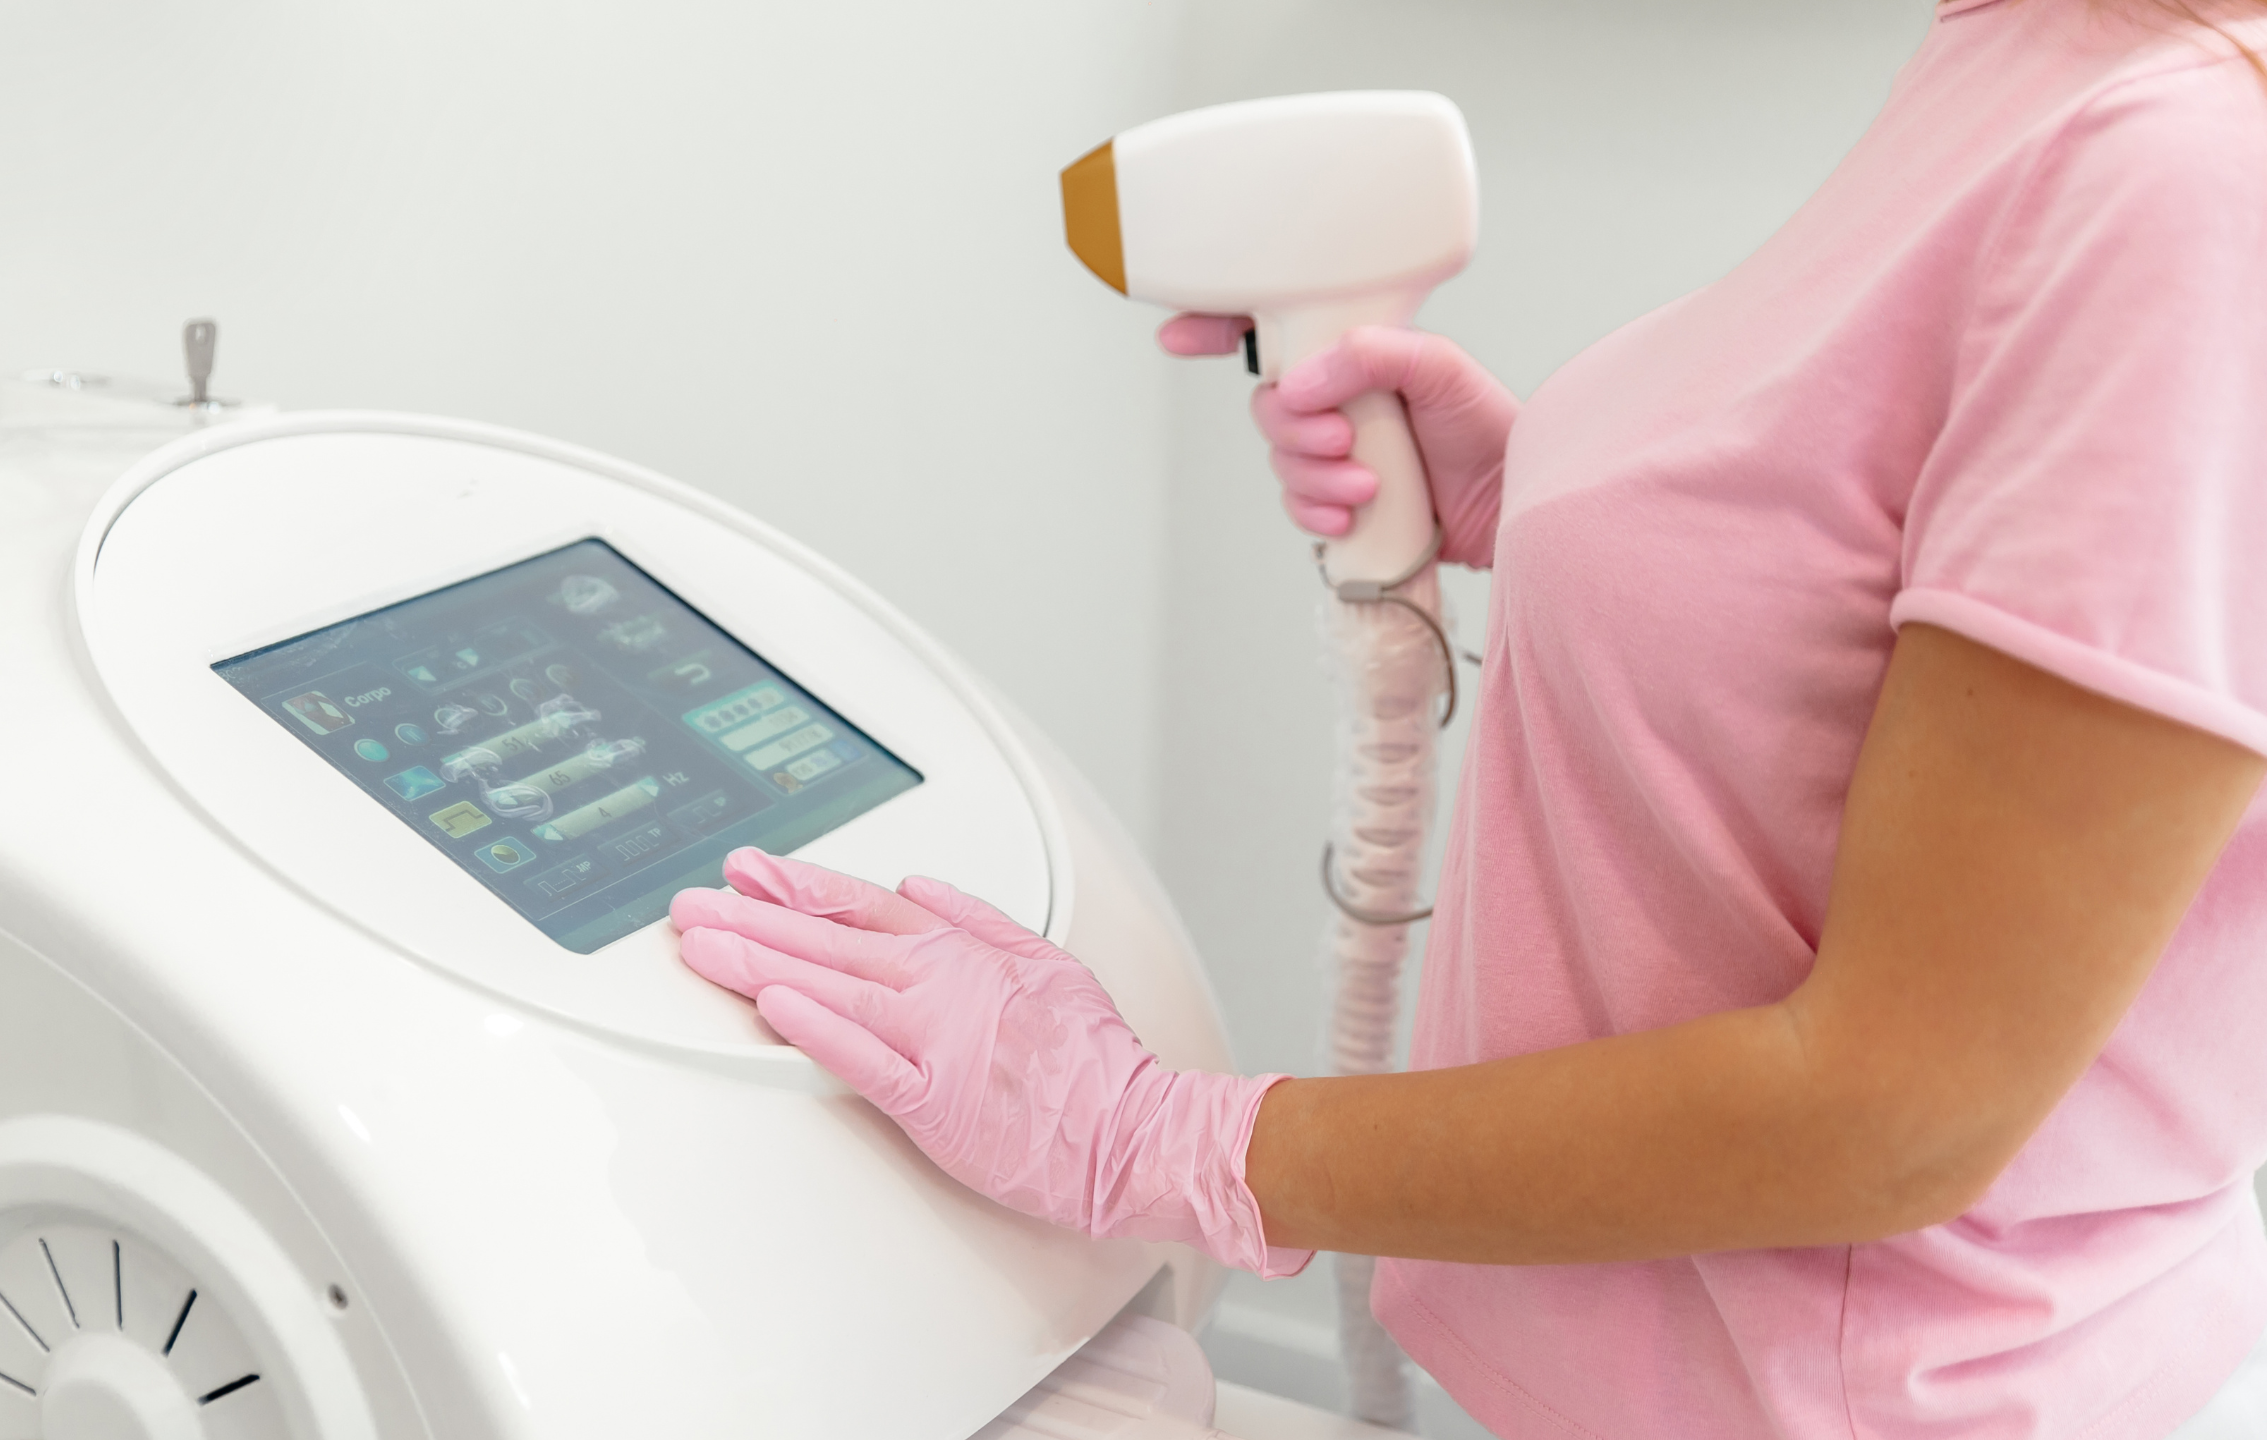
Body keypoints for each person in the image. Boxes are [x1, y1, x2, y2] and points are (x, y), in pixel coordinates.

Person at [669, 0, 2267, 1433]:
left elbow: (1898, 1111)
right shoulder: (2040, 46)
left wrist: (1161, 1139)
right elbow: (1885, 552)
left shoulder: (2197, 182)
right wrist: (1556, 507)